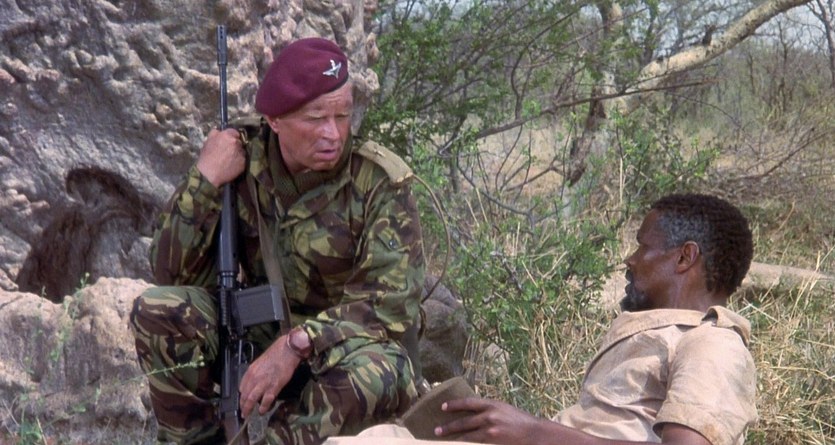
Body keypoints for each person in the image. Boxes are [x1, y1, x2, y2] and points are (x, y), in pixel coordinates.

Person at [129, 37, 425, 445]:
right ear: (274, 120)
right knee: (157, 310)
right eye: (315, 118)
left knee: (374, 374)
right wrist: (205, 180)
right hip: (258, 337)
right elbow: (169, 272)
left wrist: (299, 344)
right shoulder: (240, 159)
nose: (333, 134)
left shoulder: (378, 182)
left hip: (347, 350)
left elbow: (388, 307)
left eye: (342, 116)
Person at [324, 193, 757, 445]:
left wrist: (532, 432)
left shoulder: (714, 343)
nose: (630, 259)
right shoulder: (666, 332)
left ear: (684, 258)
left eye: (643, 246)